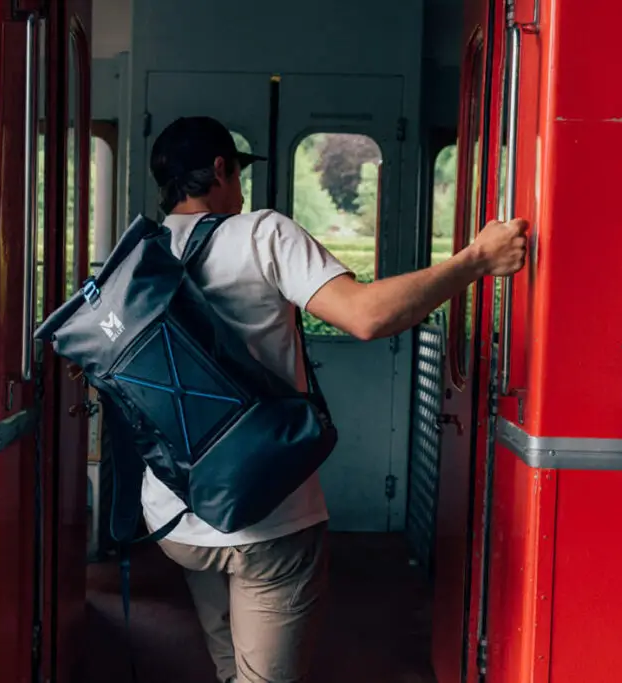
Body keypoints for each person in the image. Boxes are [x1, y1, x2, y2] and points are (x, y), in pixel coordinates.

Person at [142, 116, 527, 683]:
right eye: (238, 173)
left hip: (173, 508)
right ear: (221, 169)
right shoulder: (261, 233)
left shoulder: (141, 253)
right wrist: (475, 260)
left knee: (227, 660)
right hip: (266, 511)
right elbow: (366, 315)